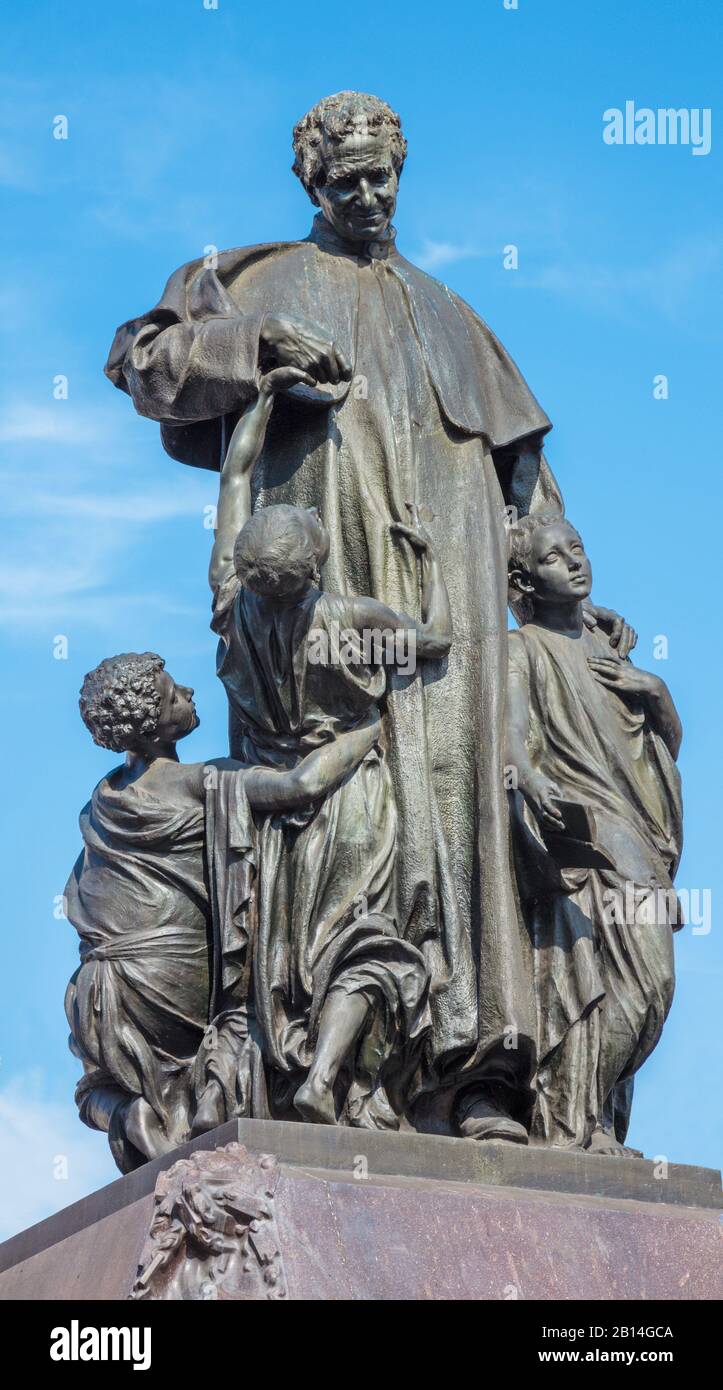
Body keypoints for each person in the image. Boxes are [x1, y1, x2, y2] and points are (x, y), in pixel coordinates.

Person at [106, 90, 635, 1137]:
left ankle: (482, 1071)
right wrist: (249, 348)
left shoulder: (450, 312)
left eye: (383, 176)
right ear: (311, 181)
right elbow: (141, 361)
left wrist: (572, 606)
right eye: (346, 180)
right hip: (320, 591)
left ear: (403, 169)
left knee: (475, 809)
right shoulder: (250, 282)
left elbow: (527, 481)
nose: (368, 194)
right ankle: (335, 1066)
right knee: (349, 817)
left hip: (462, 604)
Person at [207, 364, 446, 1126]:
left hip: (276, 803)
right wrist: (431, 565)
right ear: (314, 565)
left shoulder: (229, 609)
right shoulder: (354, 615)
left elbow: (235, 480)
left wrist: (264, 402)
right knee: (361, 937)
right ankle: (327, 1078)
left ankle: (301, 1069)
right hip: (353, 791)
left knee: (295, 955)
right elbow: (434, 645)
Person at [65, 650, 379, 1170]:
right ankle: (223, 1106)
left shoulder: (98, 803)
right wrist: (366, 731)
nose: (187, 692)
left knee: (97, 1089)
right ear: (149, 724)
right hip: (167, 970)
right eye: (172, 695)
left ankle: (127, 1115)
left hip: (96, 990)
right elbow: (299, 784)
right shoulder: (201, 780)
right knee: (245, 1013)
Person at [506, 514, 683, 1153]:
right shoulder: (521, 648)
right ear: (525, 578)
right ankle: (575, 1122)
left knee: (649, 986)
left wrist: (658, 693)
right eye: (555, 558)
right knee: (641, 980)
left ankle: (594, 1120)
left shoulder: (613, 650)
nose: (575, 562)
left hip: (642, 829)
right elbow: (512, 739)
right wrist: (530, 780)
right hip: (593, 830)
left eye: (577, 547)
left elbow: (659, 751)